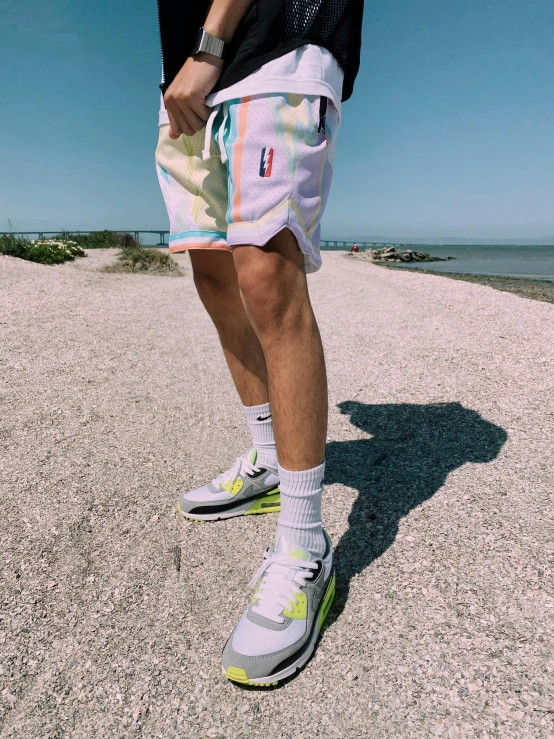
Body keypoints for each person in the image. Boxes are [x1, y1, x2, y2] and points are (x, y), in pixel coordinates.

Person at [156, 0, 364, 685]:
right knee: (210, 265)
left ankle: (305, 542)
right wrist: (197, 53)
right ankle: (271, 461)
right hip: (190, 69)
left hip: (278, 40)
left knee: (267, 273)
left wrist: (214, 40)